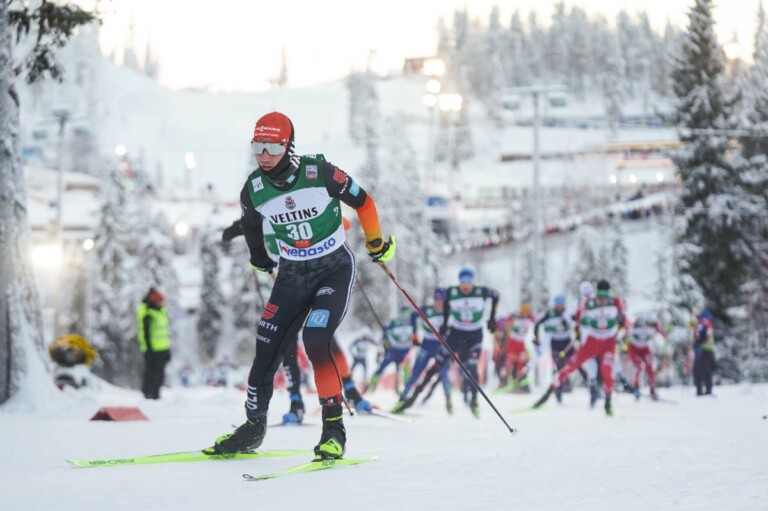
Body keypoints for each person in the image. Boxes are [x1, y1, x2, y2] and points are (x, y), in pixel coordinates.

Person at [205, 112, 394, 460]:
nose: (264, 155)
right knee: (266, 347)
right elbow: (250, 225)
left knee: (316, 338)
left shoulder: (319, 173)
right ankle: (253, 427)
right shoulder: (254, 189)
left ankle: (333, 431)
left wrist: (376, 243)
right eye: (258, 147)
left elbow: (363, 201)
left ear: (288, 147)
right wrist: (260, 259)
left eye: (272, 148)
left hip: (333, 268)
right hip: (292, 274)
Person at [533, 279, 626, 416]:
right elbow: (576, 319)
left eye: (604, 297)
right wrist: (577, 331)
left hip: (608, 342)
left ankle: (608, 402)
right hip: (592, 341)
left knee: (607, 370)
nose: (602, 300)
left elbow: (623, 321)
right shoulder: (589, 303)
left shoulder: (615, 302)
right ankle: (548, 394)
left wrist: (619, 331)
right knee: (570, 366)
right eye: (600, 297)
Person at [392, 288, 452, 414]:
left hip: (442, 346)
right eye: (436, 299)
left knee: (444, 374)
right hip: (427, 344)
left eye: (441, 300)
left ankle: (448, 401)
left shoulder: (449, 311)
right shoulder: (426, 310)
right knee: (416, 373)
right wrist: (414, 334)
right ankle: (402, 399)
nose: (438, 302)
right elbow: (413, 316)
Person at [533, 294, 575, 403]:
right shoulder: (549, 314)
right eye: (558, 305)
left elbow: (577, 322)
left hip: (567, 343)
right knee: (559, 367)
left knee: (577, 363)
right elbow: (537, 324)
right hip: (555, 343)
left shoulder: (567, 313)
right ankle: (558, 392)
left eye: (561, 305)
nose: (559, 307)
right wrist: (536, 338)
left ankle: (593, 388)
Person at [365, 307, 414, 394]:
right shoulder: (394, 323)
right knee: (382, 367)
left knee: (405, 369)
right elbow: (384, 331)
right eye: (405, 316)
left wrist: (414, 344)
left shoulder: (413, 324)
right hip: (393, 350)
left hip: (405, 351)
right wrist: (385, 337)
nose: (407, 318)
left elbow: (414, 336)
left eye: (408, 316)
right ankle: (371, 385)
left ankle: (406, 388)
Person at [136, 288, 171, 399]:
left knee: (159, 375)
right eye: (159, 301)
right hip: (152, 350)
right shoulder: (149, 314)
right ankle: (148, 395)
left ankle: (156, 395)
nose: (161, 303)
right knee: (151, 374)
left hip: (162, 349)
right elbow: (146, 334)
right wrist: (149, 350)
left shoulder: (160, 313)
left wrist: (167, 350)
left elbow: (164, 334)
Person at [625, 311, 667, 400]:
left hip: (645, 348)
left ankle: (652, 388)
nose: (649, 325)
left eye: (651, 323)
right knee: (638, 367)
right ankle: (636, 387)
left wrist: (664, 335)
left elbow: (662, 332)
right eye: (648, 322)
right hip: (634, 348)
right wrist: (625, 336)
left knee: (650, 366)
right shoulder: (636, 324)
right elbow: (626, 329)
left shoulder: (655, 325)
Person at [499, 303, 536, 392]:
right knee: (509, 362)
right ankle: (502, 382)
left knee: (521, 364)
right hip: (513, 341)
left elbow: (536, 320)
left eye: (526, 312)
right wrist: (510, 318)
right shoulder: (515, 317)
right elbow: (504, 321)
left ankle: (518, 385)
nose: (524, 314)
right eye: (523, 312)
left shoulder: (530, 318)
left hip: (522, 343)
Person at [692, 309, 715, 396]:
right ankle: (708, 389)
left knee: (698, 370)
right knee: (706, 370)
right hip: (708, 350)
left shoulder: (702, 323)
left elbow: (702, 335)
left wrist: (696, 344)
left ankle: (699, 390)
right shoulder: (708, 323)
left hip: (702, 350)